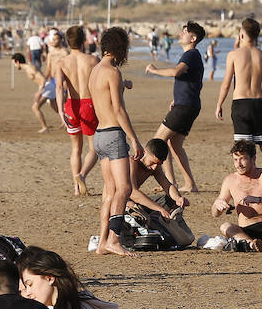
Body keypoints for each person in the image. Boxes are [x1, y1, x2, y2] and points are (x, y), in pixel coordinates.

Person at [88, 27, 143, 257]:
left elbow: (105, 96)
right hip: (113, 134)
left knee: (109, 191)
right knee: (125, 188)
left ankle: (102, 242)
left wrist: (122, 85)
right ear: (121, 48)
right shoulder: (113, 72)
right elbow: (118, 110)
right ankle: (114, 239)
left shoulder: (96, 70)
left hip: (99, 135)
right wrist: (134, 139)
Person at [144, 21, 205, 193]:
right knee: (175, 146)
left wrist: (155, 70)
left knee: (157, 142)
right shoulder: (193, 55)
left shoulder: (191, 54)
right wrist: (177, 99)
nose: (181, 34)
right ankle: (188, 184)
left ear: (193, 38)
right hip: (187, 104)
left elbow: (177, 72)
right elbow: (193, 82)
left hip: (185, 106)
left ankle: (169, 184)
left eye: (185, 32)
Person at [215, 18, 262, 174]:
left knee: (242, 146)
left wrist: (219, 104)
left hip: (240, 104)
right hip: (257, 103)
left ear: (242, 34)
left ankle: (246, 176)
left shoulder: (234, 55)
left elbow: (226, 84)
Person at [211, 140, 262, 252]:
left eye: (243, 159)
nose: (238, 164)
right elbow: (215, 214)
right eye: (235, 160)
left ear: (253, 159)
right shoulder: (230, 180)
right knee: (225, 226)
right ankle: (253, 245)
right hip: (244, 231)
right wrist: (217, 206)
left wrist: (259, 200)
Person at [58, 26, 99, 196]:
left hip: (71, 105)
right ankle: (82, 175)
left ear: (67, 41)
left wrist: (61, 111)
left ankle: (76, 187)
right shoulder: (93, 60)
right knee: (94, 148)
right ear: (83, 41)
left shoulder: (61, 62)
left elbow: (60, 88)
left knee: (76, 149)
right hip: (88, 104)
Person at [129, 139, 189, 218]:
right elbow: (133, 193)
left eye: (159, 164)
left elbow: (167, 185)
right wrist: (158, 208)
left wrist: (178, 198)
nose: (154, 168)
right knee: (134, 209)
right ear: (144, 152)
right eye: (153, 163)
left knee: (172, 200)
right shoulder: (132, 162)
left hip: (135, 201)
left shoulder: (155, 167)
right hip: (121, 202)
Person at [13, 52, 57, 132]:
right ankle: (68, 121)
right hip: (46, 86)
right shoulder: (28, 67)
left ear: (17, 62)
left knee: (35, 107)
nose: (14, 66)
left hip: (47, 86)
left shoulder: (29, 68)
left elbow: (43, 79)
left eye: (14, 63)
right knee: (55, 107)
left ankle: (44, 127)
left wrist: (39, 93)